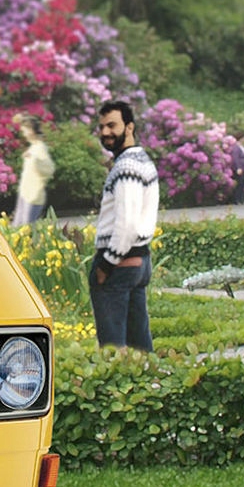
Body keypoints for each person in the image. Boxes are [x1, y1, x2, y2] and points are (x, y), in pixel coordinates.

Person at [90, 98, 159, 350]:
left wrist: (106, 264)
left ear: (129, 127)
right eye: (102, 127)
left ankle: (117, 378)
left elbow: (127, 223)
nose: (105, 132)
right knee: (139, 345)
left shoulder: (127, 166)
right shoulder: (142, 160)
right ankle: (149, 375)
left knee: (113, 347)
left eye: (112, 125)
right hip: (139, 261)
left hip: (120, 264)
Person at [12, 115, 56, 227]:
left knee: (26, 228)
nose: (24, 134)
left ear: (31, 131)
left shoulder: (40, 148)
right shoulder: (33, 147)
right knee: (17, 227)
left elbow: (49, 169)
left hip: (33, 196)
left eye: (25, 131)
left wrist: (35, 159)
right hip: (25, 194)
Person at [228, 134, 244, 207]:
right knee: (239, 183)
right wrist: (238, 168)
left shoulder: (242, 147)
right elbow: (235, 158)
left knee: (242, 184)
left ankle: (241, 199)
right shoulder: (236, 147)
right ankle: (237, 199)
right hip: (239, 168)